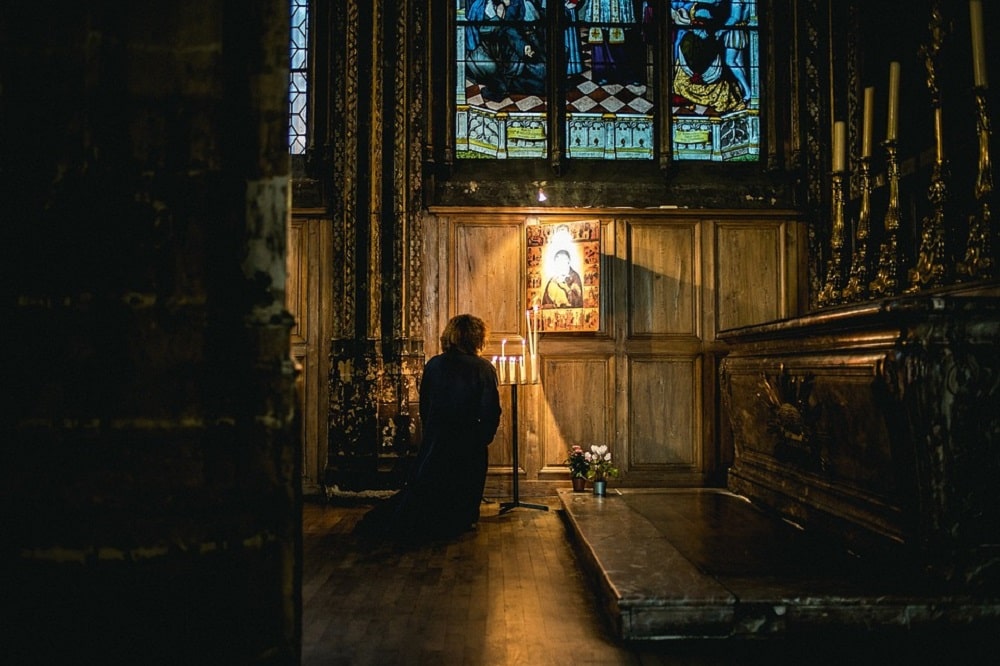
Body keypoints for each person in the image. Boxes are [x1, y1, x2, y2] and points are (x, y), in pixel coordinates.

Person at [355, 314, 502, 542]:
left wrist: (433, 433)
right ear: (477, 338)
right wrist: (483, 438)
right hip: (469, 441)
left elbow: (425, 405)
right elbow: (490, 409)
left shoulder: (435, 364)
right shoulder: (483, 368)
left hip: (438, 440)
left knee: (429, 487)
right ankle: (463, 519)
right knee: (466, 482)